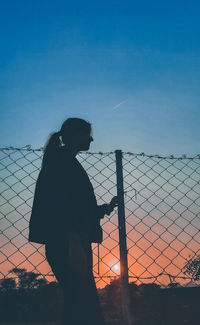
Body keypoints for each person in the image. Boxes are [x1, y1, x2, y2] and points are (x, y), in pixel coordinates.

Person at [29, 117, 118, 325]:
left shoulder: (63, 161)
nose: (92, 139)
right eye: (87, 134)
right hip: (68, 241)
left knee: (77, 304)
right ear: (75, 135)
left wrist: (104, 209)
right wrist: (74, 242)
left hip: (70, 239)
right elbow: (61, 207)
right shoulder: (62, 162)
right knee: (82, 306)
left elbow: (74, 208)